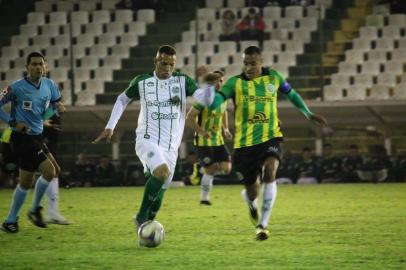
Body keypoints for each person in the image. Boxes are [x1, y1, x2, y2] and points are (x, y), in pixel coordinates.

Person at [209, 46, 327, 240]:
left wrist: (309, 113)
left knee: (270, 169)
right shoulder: (235, 83)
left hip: (270, 136)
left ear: (261, 62)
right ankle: (250, 201)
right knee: (253, 191)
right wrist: (210, 98)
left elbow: (292, 95)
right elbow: (219, 100)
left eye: (253, 63)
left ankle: (263, 224)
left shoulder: (274, 77)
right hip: (244, 145)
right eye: (246, 63)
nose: (249, 67)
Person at [93, 45, 213, 235]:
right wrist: (110, 126)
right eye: (163, 63)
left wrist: (208, 83)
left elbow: (206, 100)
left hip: (171, 147)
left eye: (171, 64)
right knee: (161, 172)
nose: (167, 67)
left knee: (158, 194)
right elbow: (122, 99)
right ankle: (141, 217)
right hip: (146, 139)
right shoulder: (142, 81)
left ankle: (149, 221)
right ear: (156, 62)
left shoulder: (183, 81)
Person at [0, 51, 63, 233]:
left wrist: (56, 109)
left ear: (45, 67)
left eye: (40, 64)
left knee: (29, 181)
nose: (37, 67)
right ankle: (34, 210)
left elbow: (50, 108)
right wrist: (13, 122)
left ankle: (10, 220)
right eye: (33, 64)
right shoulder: (16, 88)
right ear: (27, 67)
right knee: (49, 171)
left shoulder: (50, 85)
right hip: (21, 138)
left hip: (36, 136)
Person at [186, 70, 233, 205]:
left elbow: (223, 113)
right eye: (219, 81)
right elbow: (189, 117)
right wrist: (201, 131)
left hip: (218, 139)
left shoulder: (222, 98)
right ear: (213, 83)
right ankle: (204, 199)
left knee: (227, 168)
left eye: (222, 81)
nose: (221, 83)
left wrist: (226, 129)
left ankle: (205, 168)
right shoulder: (203, 100)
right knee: (210, 170)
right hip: (203, 141)